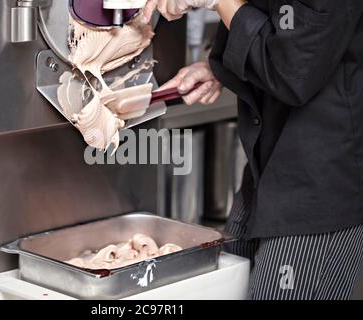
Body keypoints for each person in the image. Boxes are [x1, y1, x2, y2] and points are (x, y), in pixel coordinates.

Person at [143, 0, 363, 300]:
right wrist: (219, 66)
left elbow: (294, 71)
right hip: (266, 171)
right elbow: (283, 24)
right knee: (228, 284)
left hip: (319, 186)